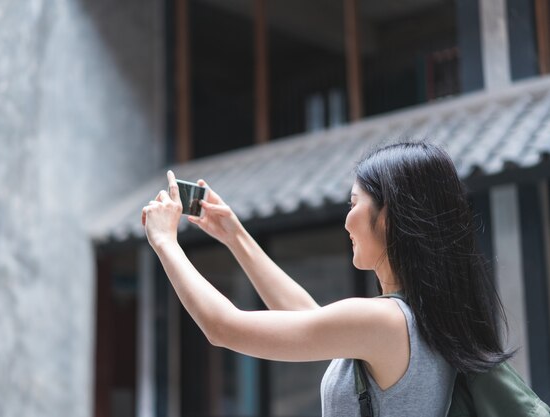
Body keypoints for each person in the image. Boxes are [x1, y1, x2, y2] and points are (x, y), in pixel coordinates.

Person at [141, 141, 512, 416]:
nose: (346, 220)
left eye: (354, 203)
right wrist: (234, 235)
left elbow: (223, 327)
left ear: (387, 218)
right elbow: (309, 316)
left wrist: (164, 241)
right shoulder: (426, 319)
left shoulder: (384, 321)